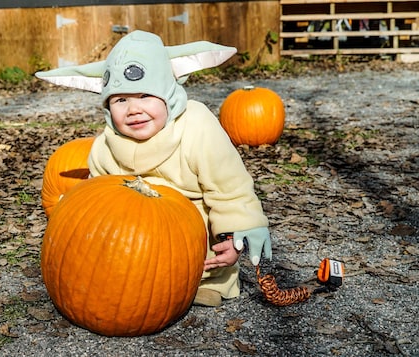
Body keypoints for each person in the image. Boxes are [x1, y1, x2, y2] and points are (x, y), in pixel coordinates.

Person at [36, 30, 271, 306]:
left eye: (145, 95)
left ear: (168, 95)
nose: (133, 109)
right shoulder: (106, 145)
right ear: (107, 107)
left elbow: (229, 187)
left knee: (203, 259)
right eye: (120, 100)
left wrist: (235, 235)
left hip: (193, 238)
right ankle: (130, 283)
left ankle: (207, 282)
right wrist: (73, 216)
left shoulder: (196, 127)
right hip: (135, 247)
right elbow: (98, 198)